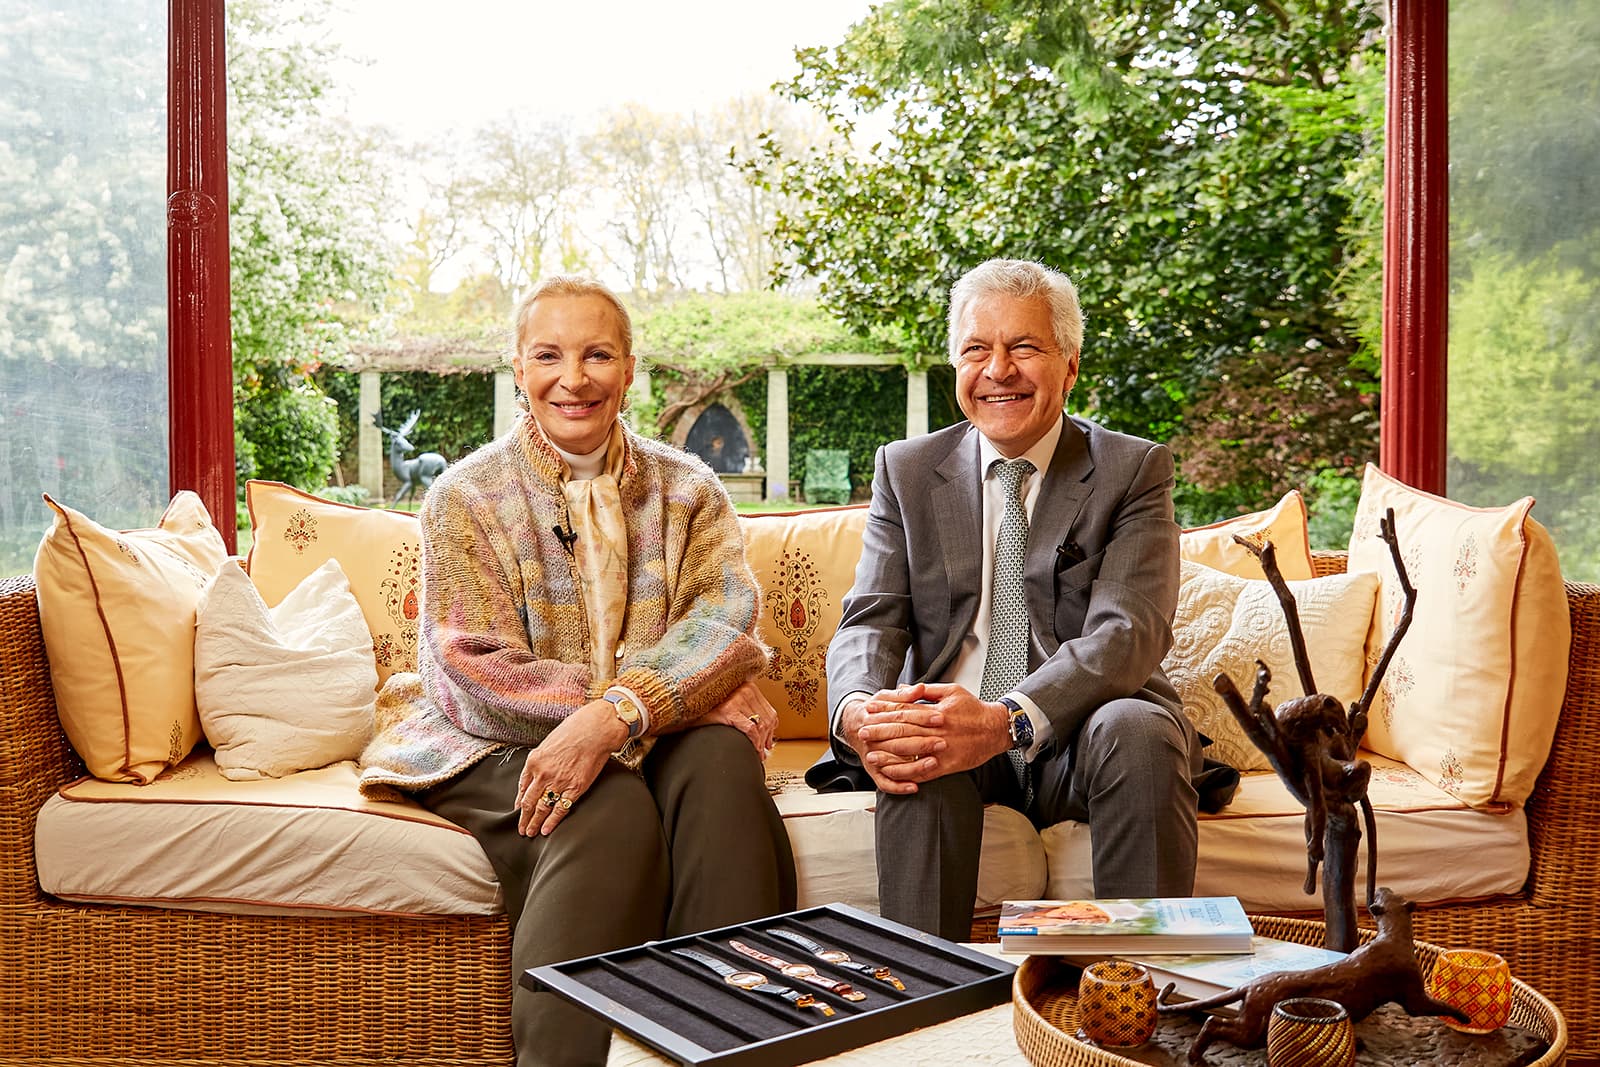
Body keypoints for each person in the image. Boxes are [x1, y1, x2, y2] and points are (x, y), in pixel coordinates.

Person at [359, 276, 797, 1067]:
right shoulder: (464, 497)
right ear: (518, 368)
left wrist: (620, 716)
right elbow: (473, 670)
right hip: (481, 736)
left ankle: (729, 1047)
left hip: (647, 725)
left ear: (629, 368)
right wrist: (643, 704)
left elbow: (724, 625)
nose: (575, 377)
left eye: (598, 354)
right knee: (606, 802)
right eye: (549, 355)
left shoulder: (690, 490)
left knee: (725, 762)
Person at [819, 258, 1201, 941]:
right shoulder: (906, 471)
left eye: (1024, 347)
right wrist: (858, 713)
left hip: (1081, 734)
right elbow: (870, 620)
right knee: (917, 740)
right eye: (976, 349)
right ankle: (922, 1000)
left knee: (1138, 728)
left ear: (1070, 365)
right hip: (952, 721)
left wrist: (1004, 721)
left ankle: (1144, 994)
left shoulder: (1132, 469)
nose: (998, 369)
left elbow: (1127, 632)